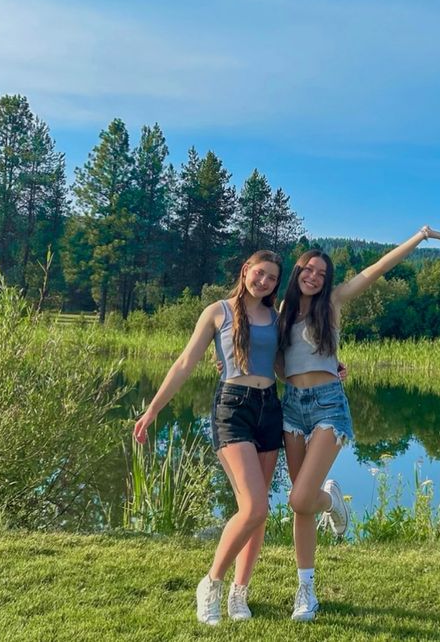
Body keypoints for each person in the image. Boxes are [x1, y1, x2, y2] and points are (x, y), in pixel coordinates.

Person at [280, 224, 440, 622]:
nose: (314, 277)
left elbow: (374, 270)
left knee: (300, 498)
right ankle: (305, 586)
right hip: (290, 408)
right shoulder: (280, 315)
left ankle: (331, 506)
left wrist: (420, 236)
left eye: (322, 273)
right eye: (308, 269)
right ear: (297, 271)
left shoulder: (333, 304)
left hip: (327, 405)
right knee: (301, 507)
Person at [133, 250, 283, 626]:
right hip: (233, 409)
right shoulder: (219, 311)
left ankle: (239, 593)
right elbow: (185, 361)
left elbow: (287, 365)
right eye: (259, 273)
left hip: (270, 409)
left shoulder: (276, 317)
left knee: (258, 513)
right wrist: (153, 409)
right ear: (246, 270)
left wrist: (332, 368)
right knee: (254, 507)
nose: (263, 282)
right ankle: (212, 583)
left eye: (271, 279)